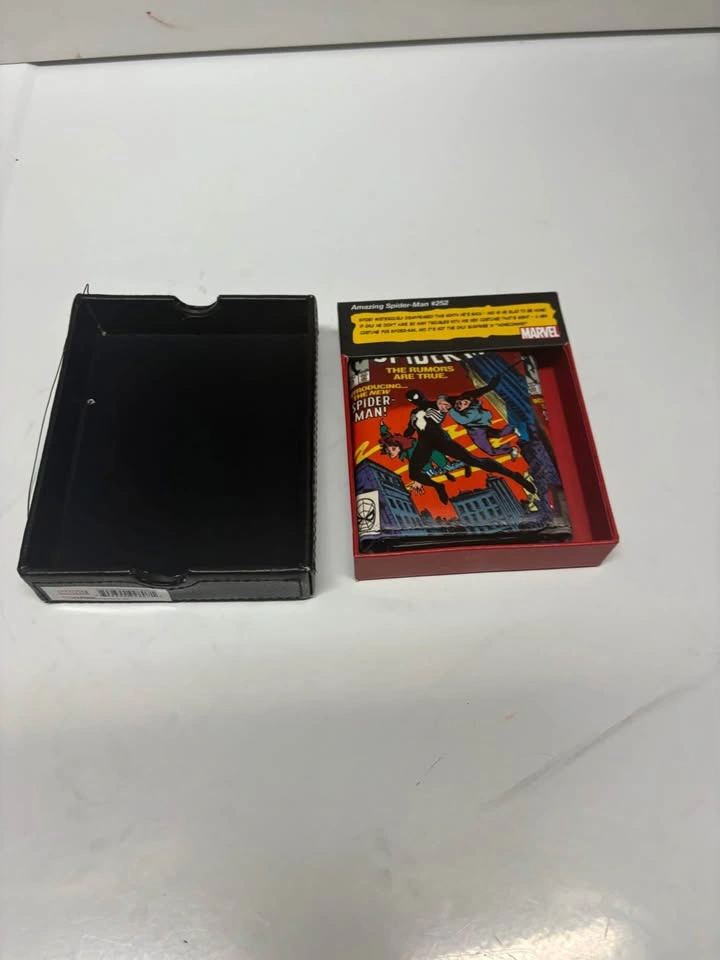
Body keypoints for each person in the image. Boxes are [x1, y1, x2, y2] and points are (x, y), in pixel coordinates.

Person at [404, 388, 536, 505]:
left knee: (475, 461)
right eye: (413, 399)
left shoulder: (439, 404)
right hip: (424, 444)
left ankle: (514, 476)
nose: (417, 400)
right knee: (413, 474)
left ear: (422, 395)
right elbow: (409, 430)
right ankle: (438, 487)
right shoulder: (414, 413)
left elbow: (467, 396)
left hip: (441, 441)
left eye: (417, 396)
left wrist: (489, 387)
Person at [439, 389, 519, 459]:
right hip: (482, 427)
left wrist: (450, 410)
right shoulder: (468, 406)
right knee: (498, 434)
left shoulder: (472, 412)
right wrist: (443, 399)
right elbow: (446, 399)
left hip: (477, 432)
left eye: (465, 403)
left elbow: (463, 420)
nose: (461, 404)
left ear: (470, 405)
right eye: (460, 402)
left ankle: (510, 450)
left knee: (491, 452)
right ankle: (512, 428)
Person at [378, 422, 457, 483]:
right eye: (388, 452)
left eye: (393, 449)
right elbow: (385, 435)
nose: (391, 453)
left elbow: (427, 456)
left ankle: (445, 466)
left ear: (399, 445)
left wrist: (443, 464)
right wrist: (382, 427)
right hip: (421, 456)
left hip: (424, 449)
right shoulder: (400, 449)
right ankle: (440, 469)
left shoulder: (408, 447)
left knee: (434, 454)